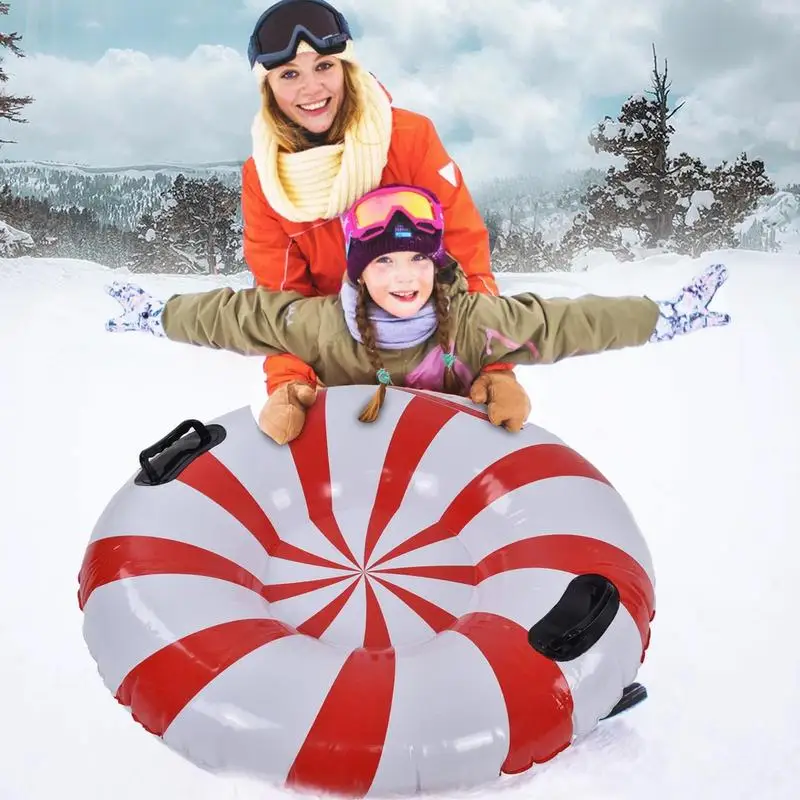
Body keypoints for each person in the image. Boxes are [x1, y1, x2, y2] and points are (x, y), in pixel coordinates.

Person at [105, 184, 731, 438]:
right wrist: (154, 314)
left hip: (453, 478)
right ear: (358, 274)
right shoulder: (323, 326)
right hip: (357, 480)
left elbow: (568, 323)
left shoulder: (477, 323)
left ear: (437, 265)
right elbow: (235, 316)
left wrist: (664, 317)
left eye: (416, 262)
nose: (403, 277)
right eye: (382, 264)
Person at [241, 0, 529, 442]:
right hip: (342, 373)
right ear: (269, 88)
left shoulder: (409, 139)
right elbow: (283, 298)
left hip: (437, 360)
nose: (311, 88)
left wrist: (495, 367)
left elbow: (465, 255)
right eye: (289, 75)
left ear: (347, 68)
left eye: (324, 66)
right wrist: (289, 382)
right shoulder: (265, 179)